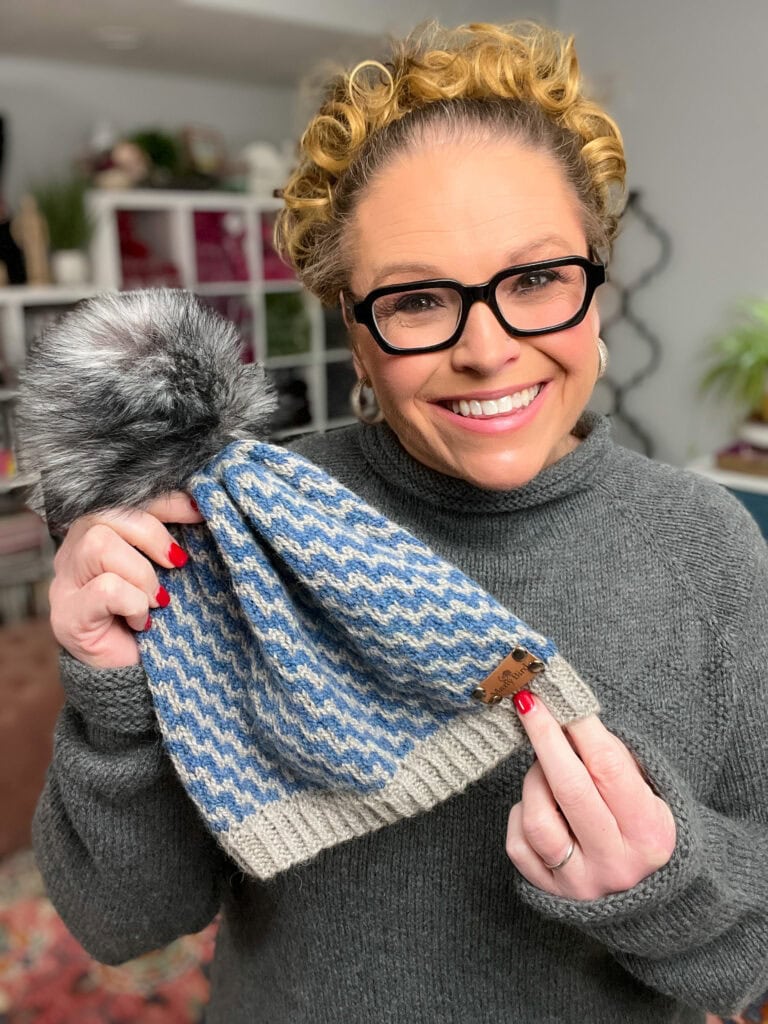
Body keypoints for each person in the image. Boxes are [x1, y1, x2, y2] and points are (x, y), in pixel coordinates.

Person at [31, 21, 768, 1024]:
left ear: (599, 288)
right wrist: (113, 693)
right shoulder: (242, 536)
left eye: (537, 279)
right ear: (358, 335)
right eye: (419, 300)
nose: (487, 348)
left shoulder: (711, 548)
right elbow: (125, 923)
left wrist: (671, 880)